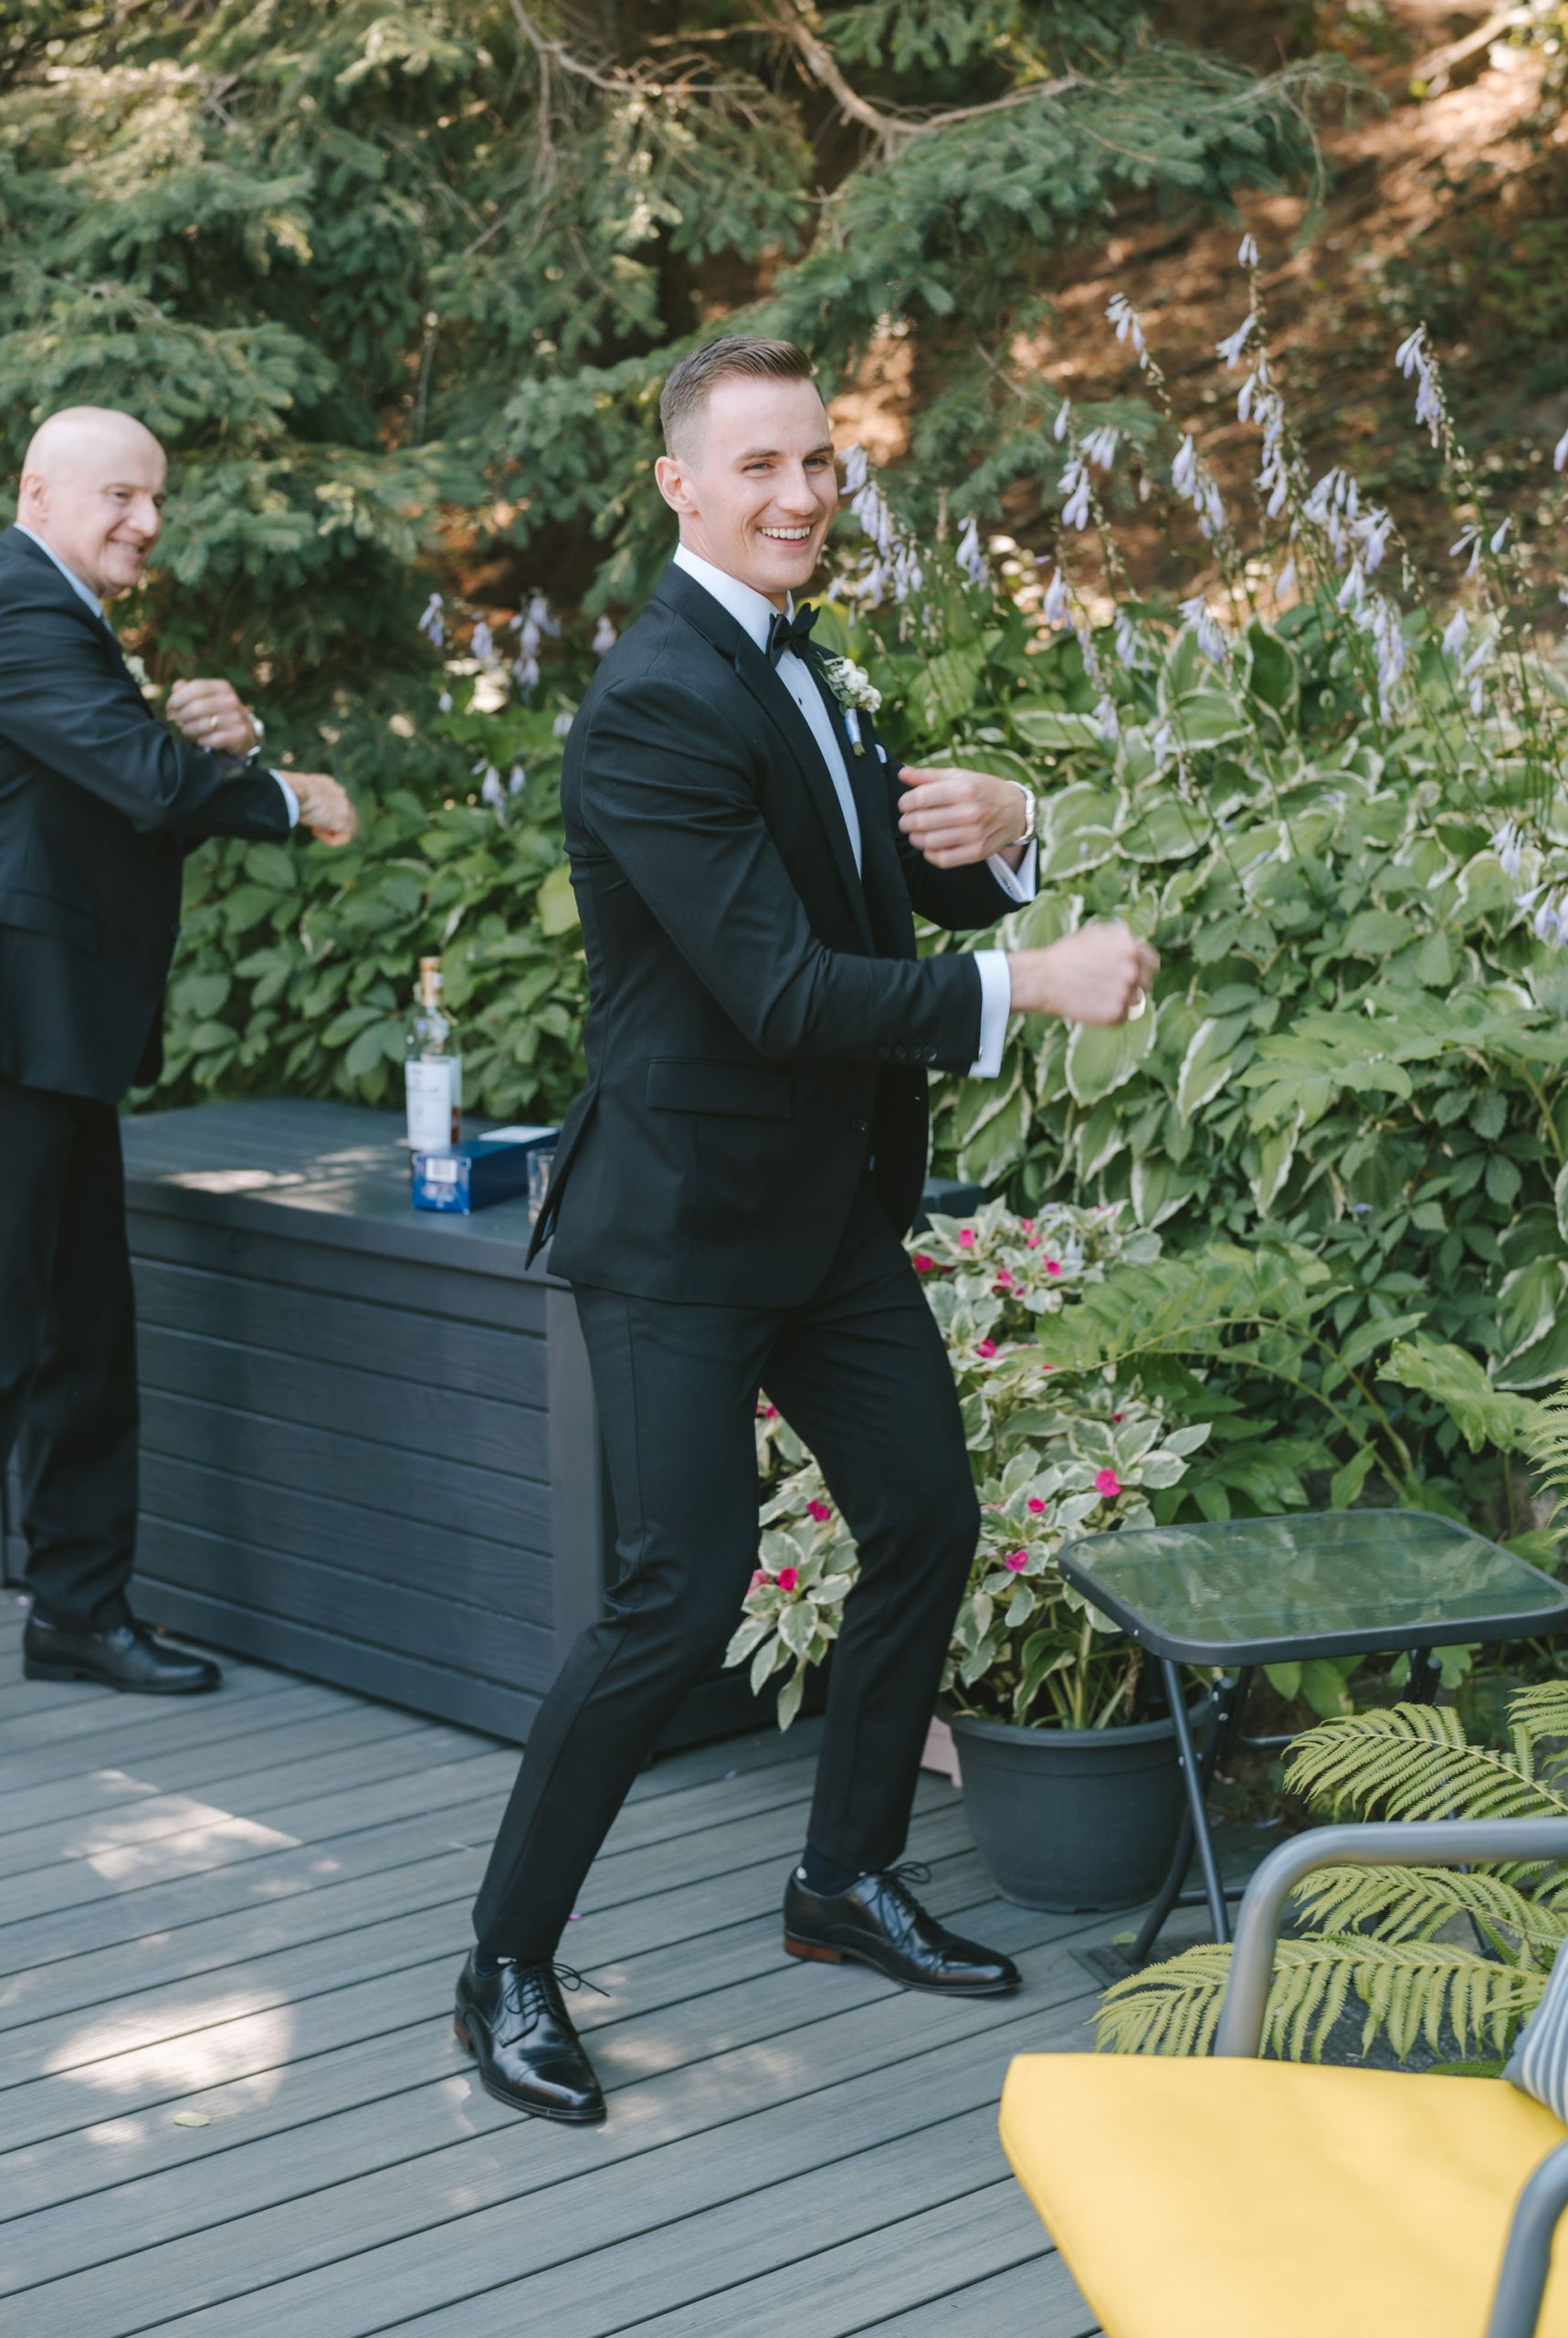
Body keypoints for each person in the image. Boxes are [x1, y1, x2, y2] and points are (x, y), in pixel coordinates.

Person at [455, 337, 1157, 2124]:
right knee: (673, 1598)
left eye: (818, 462)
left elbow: (871, 877)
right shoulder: (650, 701)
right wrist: (1029, 981)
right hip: (681, 1229)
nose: (797, 495)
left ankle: (840, 1878)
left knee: (925, 1514)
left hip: (826, 1218)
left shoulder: (799, 657)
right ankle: (506, 1959)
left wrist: (1004, 835)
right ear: (680, 485)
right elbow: (776, 990)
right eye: (758, 465)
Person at [0, 405, 356, 1695]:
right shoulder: (16, 601)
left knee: (84, 1340)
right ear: (38, 493)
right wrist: (286, 795)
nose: (148, 521)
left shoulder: (63, 615)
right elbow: (142, 781)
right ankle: (76, 1605)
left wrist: (220, 746)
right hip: (15, 1041)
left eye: (155, 498)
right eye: (121, 496)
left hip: (58, 1043)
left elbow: (113, 795)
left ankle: (77, 1612)